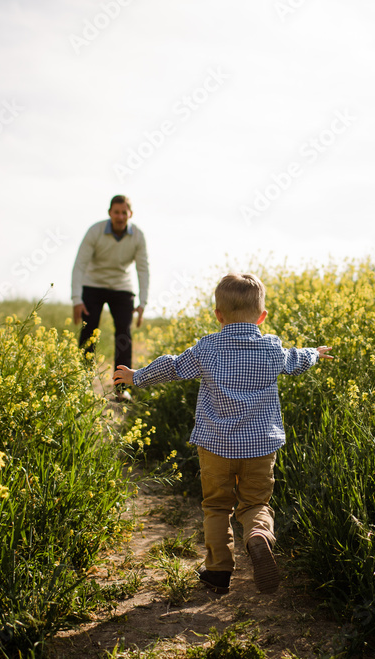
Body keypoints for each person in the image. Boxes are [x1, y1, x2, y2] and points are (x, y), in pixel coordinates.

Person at [112, 273, 333, 594]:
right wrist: (314, 353)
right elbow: (296, 360)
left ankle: (218, 571)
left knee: (217, 507)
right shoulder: (271, 348)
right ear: (262, 316)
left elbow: (173, 367)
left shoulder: (209, 347)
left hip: (216, 447)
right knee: (255, 503)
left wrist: (138, 376)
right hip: (260, 447)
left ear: (219, 315)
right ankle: (258, 535)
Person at [71, 195, 149, 398]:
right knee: (88, 332)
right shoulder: (95, 231)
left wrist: (142, 303)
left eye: (124, 212)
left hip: (122, 287)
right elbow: (79, 264)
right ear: (110, 213)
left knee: (124, 334)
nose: (120, 217)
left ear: (130, 214)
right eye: (116, 212)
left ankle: (121, 389)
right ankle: (82, 384)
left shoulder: (138, 236)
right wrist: (76, 299)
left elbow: (143, 269)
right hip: (93, 285)